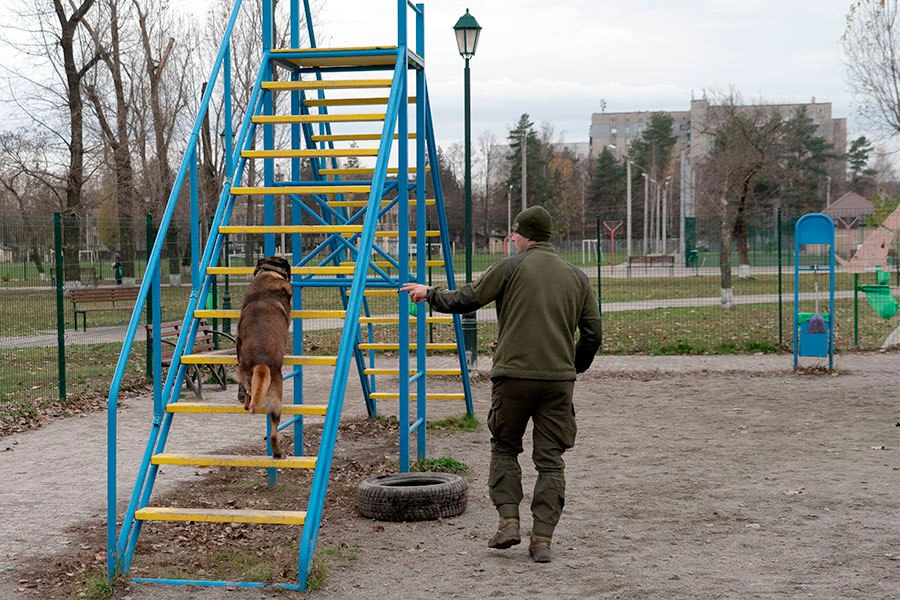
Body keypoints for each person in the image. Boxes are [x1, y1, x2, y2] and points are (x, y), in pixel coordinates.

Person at [400, 205, 601, 563]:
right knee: (551, 462)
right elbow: (592, 335)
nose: (511, 238)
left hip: (512, 379)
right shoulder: (577, 277)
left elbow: (467, 299)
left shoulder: (509, 268)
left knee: (505, 449)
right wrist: (572, 367)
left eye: (515, 233)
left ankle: (508, 522)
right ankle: (542, 540)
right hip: (558, 382)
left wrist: (428, 293)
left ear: (527, 236)